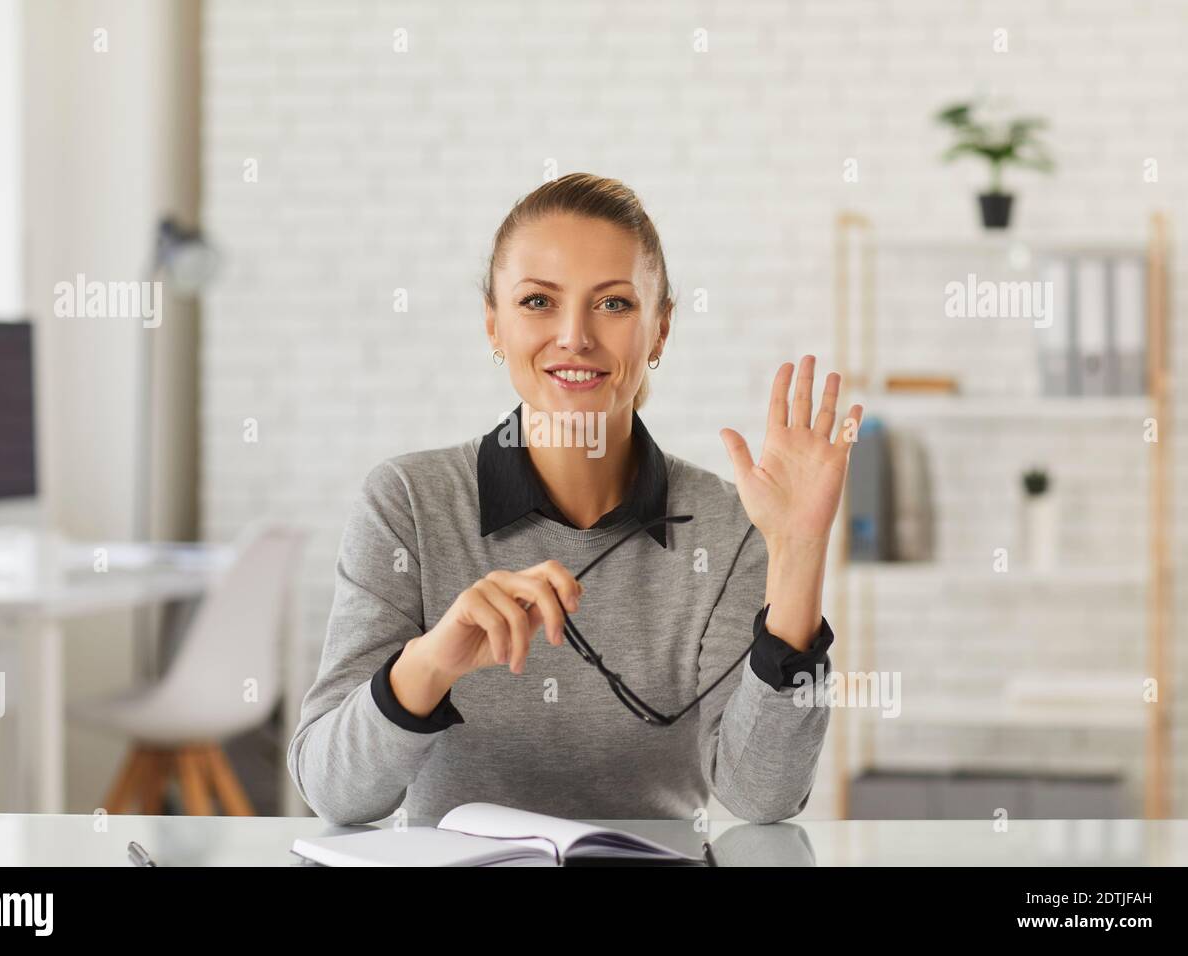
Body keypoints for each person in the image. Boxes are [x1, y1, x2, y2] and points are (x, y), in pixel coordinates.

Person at [288, 173, 863, 826]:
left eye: (613, 304)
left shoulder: (731, 524)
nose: (575, 337)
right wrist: (430, 663)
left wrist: (798, 555)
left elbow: (764, 797)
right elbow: (332, 793)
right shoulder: (408, 504)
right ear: (493, 324)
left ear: (661, 330)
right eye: (537, 301)